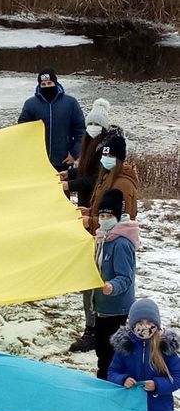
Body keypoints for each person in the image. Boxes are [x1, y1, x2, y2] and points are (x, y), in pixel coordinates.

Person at [61, 97, 115, 352]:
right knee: (89, 272)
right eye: (89, 123)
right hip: (89, 213)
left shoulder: (106, 151)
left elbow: (93, 180)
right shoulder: (91, 145)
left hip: (99, 218)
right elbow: (84, 171)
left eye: (96, 124)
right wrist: (69, 174)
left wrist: (69, 185)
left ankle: (94, 329)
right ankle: (93, 326)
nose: (92, 127)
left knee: (93, 274)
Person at [93, 189, 139, 380]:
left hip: (116, 307)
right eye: (101, 216)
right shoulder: (102, 237)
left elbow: (125, 277)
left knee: (110, 352)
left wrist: (111, 286)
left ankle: (111, 382)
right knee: (101, 348)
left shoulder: (121, 244)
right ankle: (103, 378)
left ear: (117, 217)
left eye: (109, 216)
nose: (104, 219)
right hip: (101, 305)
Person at [18, 67, 85, 171]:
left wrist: (75, 153)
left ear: (55, 83)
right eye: (43, 84)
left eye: (49, 83)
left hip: (64, 160)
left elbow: (80, 130)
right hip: (38, 161)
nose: (47, 86)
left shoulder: (71, 103)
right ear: (39, 85)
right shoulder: (30, 104)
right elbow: (22, 130)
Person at [85, 133, 138, 234]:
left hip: (113, 237)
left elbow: (120, 219)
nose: (106, 158)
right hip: (102, 235)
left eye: (110, 156)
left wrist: (90, 222)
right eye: (105, 155)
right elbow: (107, 208)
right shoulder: (107, 177)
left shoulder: (123, 185)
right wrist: (90, 212)